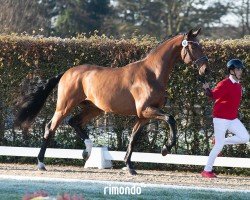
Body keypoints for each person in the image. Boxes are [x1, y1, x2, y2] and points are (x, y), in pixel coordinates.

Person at [201, 59, 249, 178]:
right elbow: (213, 95)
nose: (240, 71)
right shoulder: (224, 83)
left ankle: (220, 141)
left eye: (241, 69)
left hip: (232, 119)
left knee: (245, 137)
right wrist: (206, 89)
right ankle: (207, 171)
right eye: (238, 69)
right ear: (231, 70)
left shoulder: (238, 85)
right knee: (218, 146)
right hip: (221, 119)